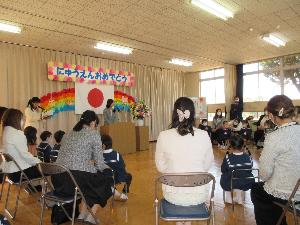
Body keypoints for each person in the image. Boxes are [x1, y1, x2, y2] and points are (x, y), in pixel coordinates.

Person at [155, 97, 214, 225]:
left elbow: (161, 167)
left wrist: (176, 171)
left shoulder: (163, 135)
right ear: (192, 113)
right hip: (199, 194)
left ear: (174, 113)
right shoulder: (204, 135)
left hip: (173, 194)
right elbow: (207, 165)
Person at [52, 110, 112, 224]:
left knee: (89, 179)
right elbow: (99, 163)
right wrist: (107, 167)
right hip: (75, 180)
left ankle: (82, 214)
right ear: (93, 123)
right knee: (105, 180)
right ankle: (91, 217)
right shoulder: (93, 134)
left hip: (60, 179)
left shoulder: (67, 134)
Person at [251, 95, 300, 225]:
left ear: (272, 116)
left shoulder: (274, 137)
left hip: (288, 193)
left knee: (257, 190)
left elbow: (264, 174)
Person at [1, 109, 41, 184]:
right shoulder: (17, 134)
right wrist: (40, 162)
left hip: (9, 173)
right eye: (23, 118)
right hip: (19, 173)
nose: (24, 121)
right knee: (53, 170)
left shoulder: (5, 133)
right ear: (16, 119)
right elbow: (25, 156)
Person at [221, 135, 254, 204]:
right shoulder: (249, 157)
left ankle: (229, 197)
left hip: (231, 183)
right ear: (242, 146)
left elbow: (223, 170)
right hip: (247, 182)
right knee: (241, 176)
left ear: (231, 146)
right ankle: (239, 197)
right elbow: (250, 169)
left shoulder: (227, 158)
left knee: (225, 176)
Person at [101, 134, 132, 201]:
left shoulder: (99, 156)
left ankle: (114, 190)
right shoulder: (117, 154)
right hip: (119, 178)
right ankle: (124, 191)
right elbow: (123, 166)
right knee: (129, 175)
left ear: (103, 146)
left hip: (106, 180)